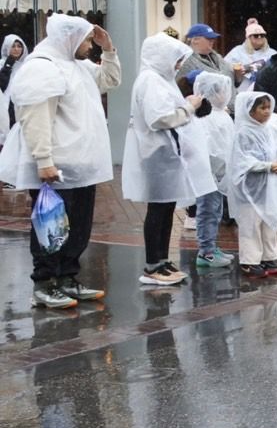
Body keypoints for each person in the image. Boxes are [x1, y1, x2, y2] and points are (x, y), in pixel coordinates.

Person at [1, 16, 120, 309]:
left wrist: (109, 50)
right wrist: (44, 161)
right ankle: (44, 283)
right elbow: (35, 118)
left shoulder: (76, 65)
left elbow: (110, 80)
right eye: (87, 40)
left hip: (81, 165)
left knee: (78, 227)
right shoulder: (43, 67)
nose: (90, 45)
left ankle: (67, 278)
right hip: (57, 165)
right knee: (51, 226)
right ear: (70, 37)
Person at [125, 33, 204, 287]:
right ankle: (152, 264)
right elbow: (159, 118)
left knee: (167, 206)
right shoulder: (150, 81)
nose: (179, 64)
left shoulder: (160, 79)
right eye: (176, 59)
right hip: (156, 152)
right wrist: (189, 108)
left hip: (167, 151)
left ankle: (161, 259)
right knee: (158, 208)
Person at [228, 91, 277, 279]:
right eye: (261, 108)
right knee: (251, 224)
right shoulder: (242, 134)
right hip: (250, 188)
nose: (266, 112)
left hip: (270, 187)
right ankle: (250, 261)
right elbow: (241, 161)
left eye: (268, 107)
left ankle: (268, 256)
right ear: (249, 110)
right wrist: (267, 166)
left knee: (269, 222)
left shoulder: (271, 130)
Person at [188, 71, 237, 268]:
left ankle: (211, 246)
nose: (224, 95)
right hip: (210, 174)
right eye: (219, 91)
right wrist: (218, 170)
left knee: (215, 211)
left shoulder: (220, 114)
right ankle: (206, 251)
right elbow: (208, 147)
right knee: (207, 210)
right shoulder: (206, 116)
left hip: (220, 173)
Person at [177, 23, 240, 87]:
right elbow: (181, 87)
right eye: (209, 38)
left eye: (213, 38)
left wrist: (238, 74)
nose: (212, 41)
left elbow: (235, 82)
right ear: (195, 40)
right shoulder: (186, 61)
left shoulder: (217, 57)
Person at [225, 19, 275, 92]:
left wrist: (248, 68)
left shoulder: (272, 53)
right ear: (248, 37)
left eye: (262, 35)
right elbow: (226, 70)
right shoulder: (237, 51)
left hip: (264, 92)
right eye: (256, 35)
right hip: (241, 92)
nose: (259, 37)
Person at [0, 33, 28, 148]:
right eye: (13, 46)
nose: (16, 49)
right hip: (4, 106)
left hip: (20, 106)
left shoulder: (27, 66)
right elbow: (2, 86)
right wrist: (8, 65)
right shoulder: (2, 64)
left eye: (19, 46)